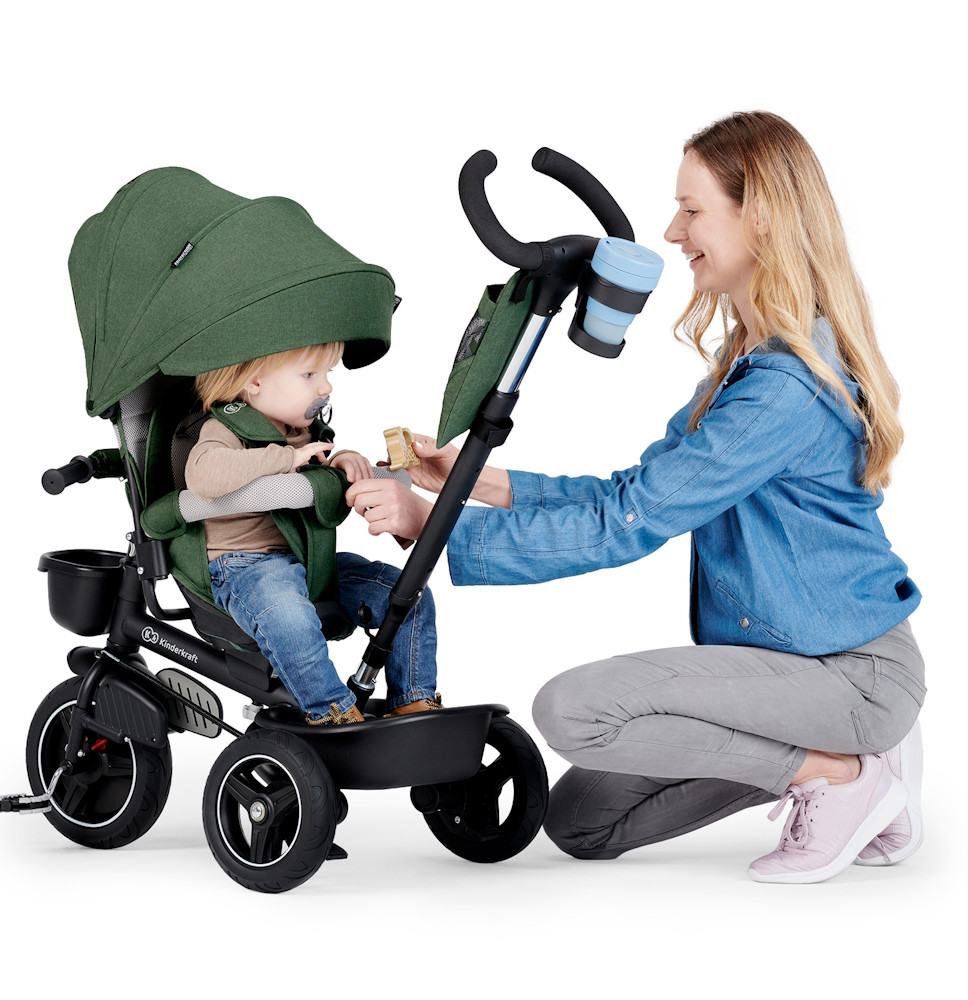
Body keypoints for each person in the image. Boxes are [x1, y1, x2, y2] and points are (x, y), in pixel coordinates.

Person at [345, 111, 925, 882]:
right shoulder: (745, 361)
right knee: (583, 823)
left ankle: (845, 775)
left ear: (761, 215)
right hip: (775, 673)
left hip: (848, 672)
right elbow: (630, 492)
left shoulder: (785, 389)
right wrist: (466, 483)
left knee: (571, 710)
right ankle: (838, 768)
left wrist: (437, 530)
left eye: (691, 210)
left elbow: (628, 524)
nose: (673, 232)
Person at [186, 340, 441, 725]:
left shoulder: (302, 432)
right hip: (243, 565)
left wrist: (343, 461)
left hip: (309, 561)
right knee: (288, 616)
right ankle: (332, 712)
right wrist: (288, 458)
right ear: (254, 382)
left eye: (327, 373)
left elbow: (318, 468)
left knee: (405, 593)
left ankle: (413, 700)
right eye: (309, 375)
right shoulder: (224, 428)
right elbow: (203, 475)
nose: (326, 387)